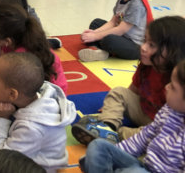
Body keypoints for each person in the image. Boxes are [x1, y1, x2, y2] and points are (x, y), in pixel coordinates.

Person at [72, 16, 185, 144]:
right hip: (143, 110)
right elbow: (134, 89)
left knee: (154, 135)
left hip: (159, 124)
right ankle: (108, 125)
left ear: (173, 51)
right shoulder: (146, 65)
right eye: (145, 41)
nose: (143, 47)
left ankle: (116, 135)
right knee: (119, 92)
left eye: (151, 45)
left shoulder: (178, 78)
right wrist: (113, 109)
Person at [79, 59, 185, 173]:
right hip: (146, 166)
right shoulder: (169, 110)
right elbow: (144, 137)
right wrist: (113, 154)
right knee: (98, 146)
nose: (167, 87)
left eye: (173, 87)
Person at [78, 0, 153, 62]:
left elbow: (120, 30)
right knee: (96, 23)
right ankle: (98, 51)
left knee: (109, 40)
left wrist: (95, 36)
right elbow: (113, 22)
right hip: (122, 36)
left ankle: (102, 49)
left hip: (135, 46)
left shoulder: (137, 4)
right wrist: (94, 32)